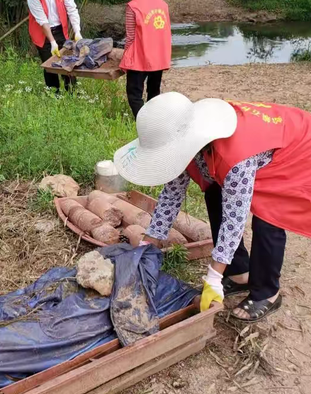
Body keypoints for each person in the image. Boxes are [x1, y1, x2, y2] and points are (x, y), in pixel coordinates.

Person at [114, 92, 311, 322]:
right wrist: (149, 244)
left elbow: (235, 219)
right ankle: (239, 273)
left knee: (268, 217)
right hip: (260, 148)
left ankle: (267, 292)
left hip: (297, 147)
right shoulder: (185, 140)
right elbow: (171, 195)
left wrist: (214, 275)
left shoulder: (235, 156)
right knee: (214, 192)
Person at [120, 0, 172, 119]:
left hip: (140, 57)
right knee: (154, 92)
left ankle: (143, 123)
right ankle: (154, 120)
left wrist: (125, 58)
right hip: (159, 56)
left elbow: (130, 37)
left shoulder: (133, 6)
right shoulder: (163, 4)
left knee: (134, 94)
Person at [27, 0, 82, 92]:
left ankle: (72, 91)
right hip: (42, 34)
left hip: (60, 30)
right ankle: (54, 94)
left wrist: (77, 32)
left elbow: (72, 10)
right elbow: (43, 22)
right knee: (49, 65)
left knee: (68, 61)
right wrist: (52, 42)